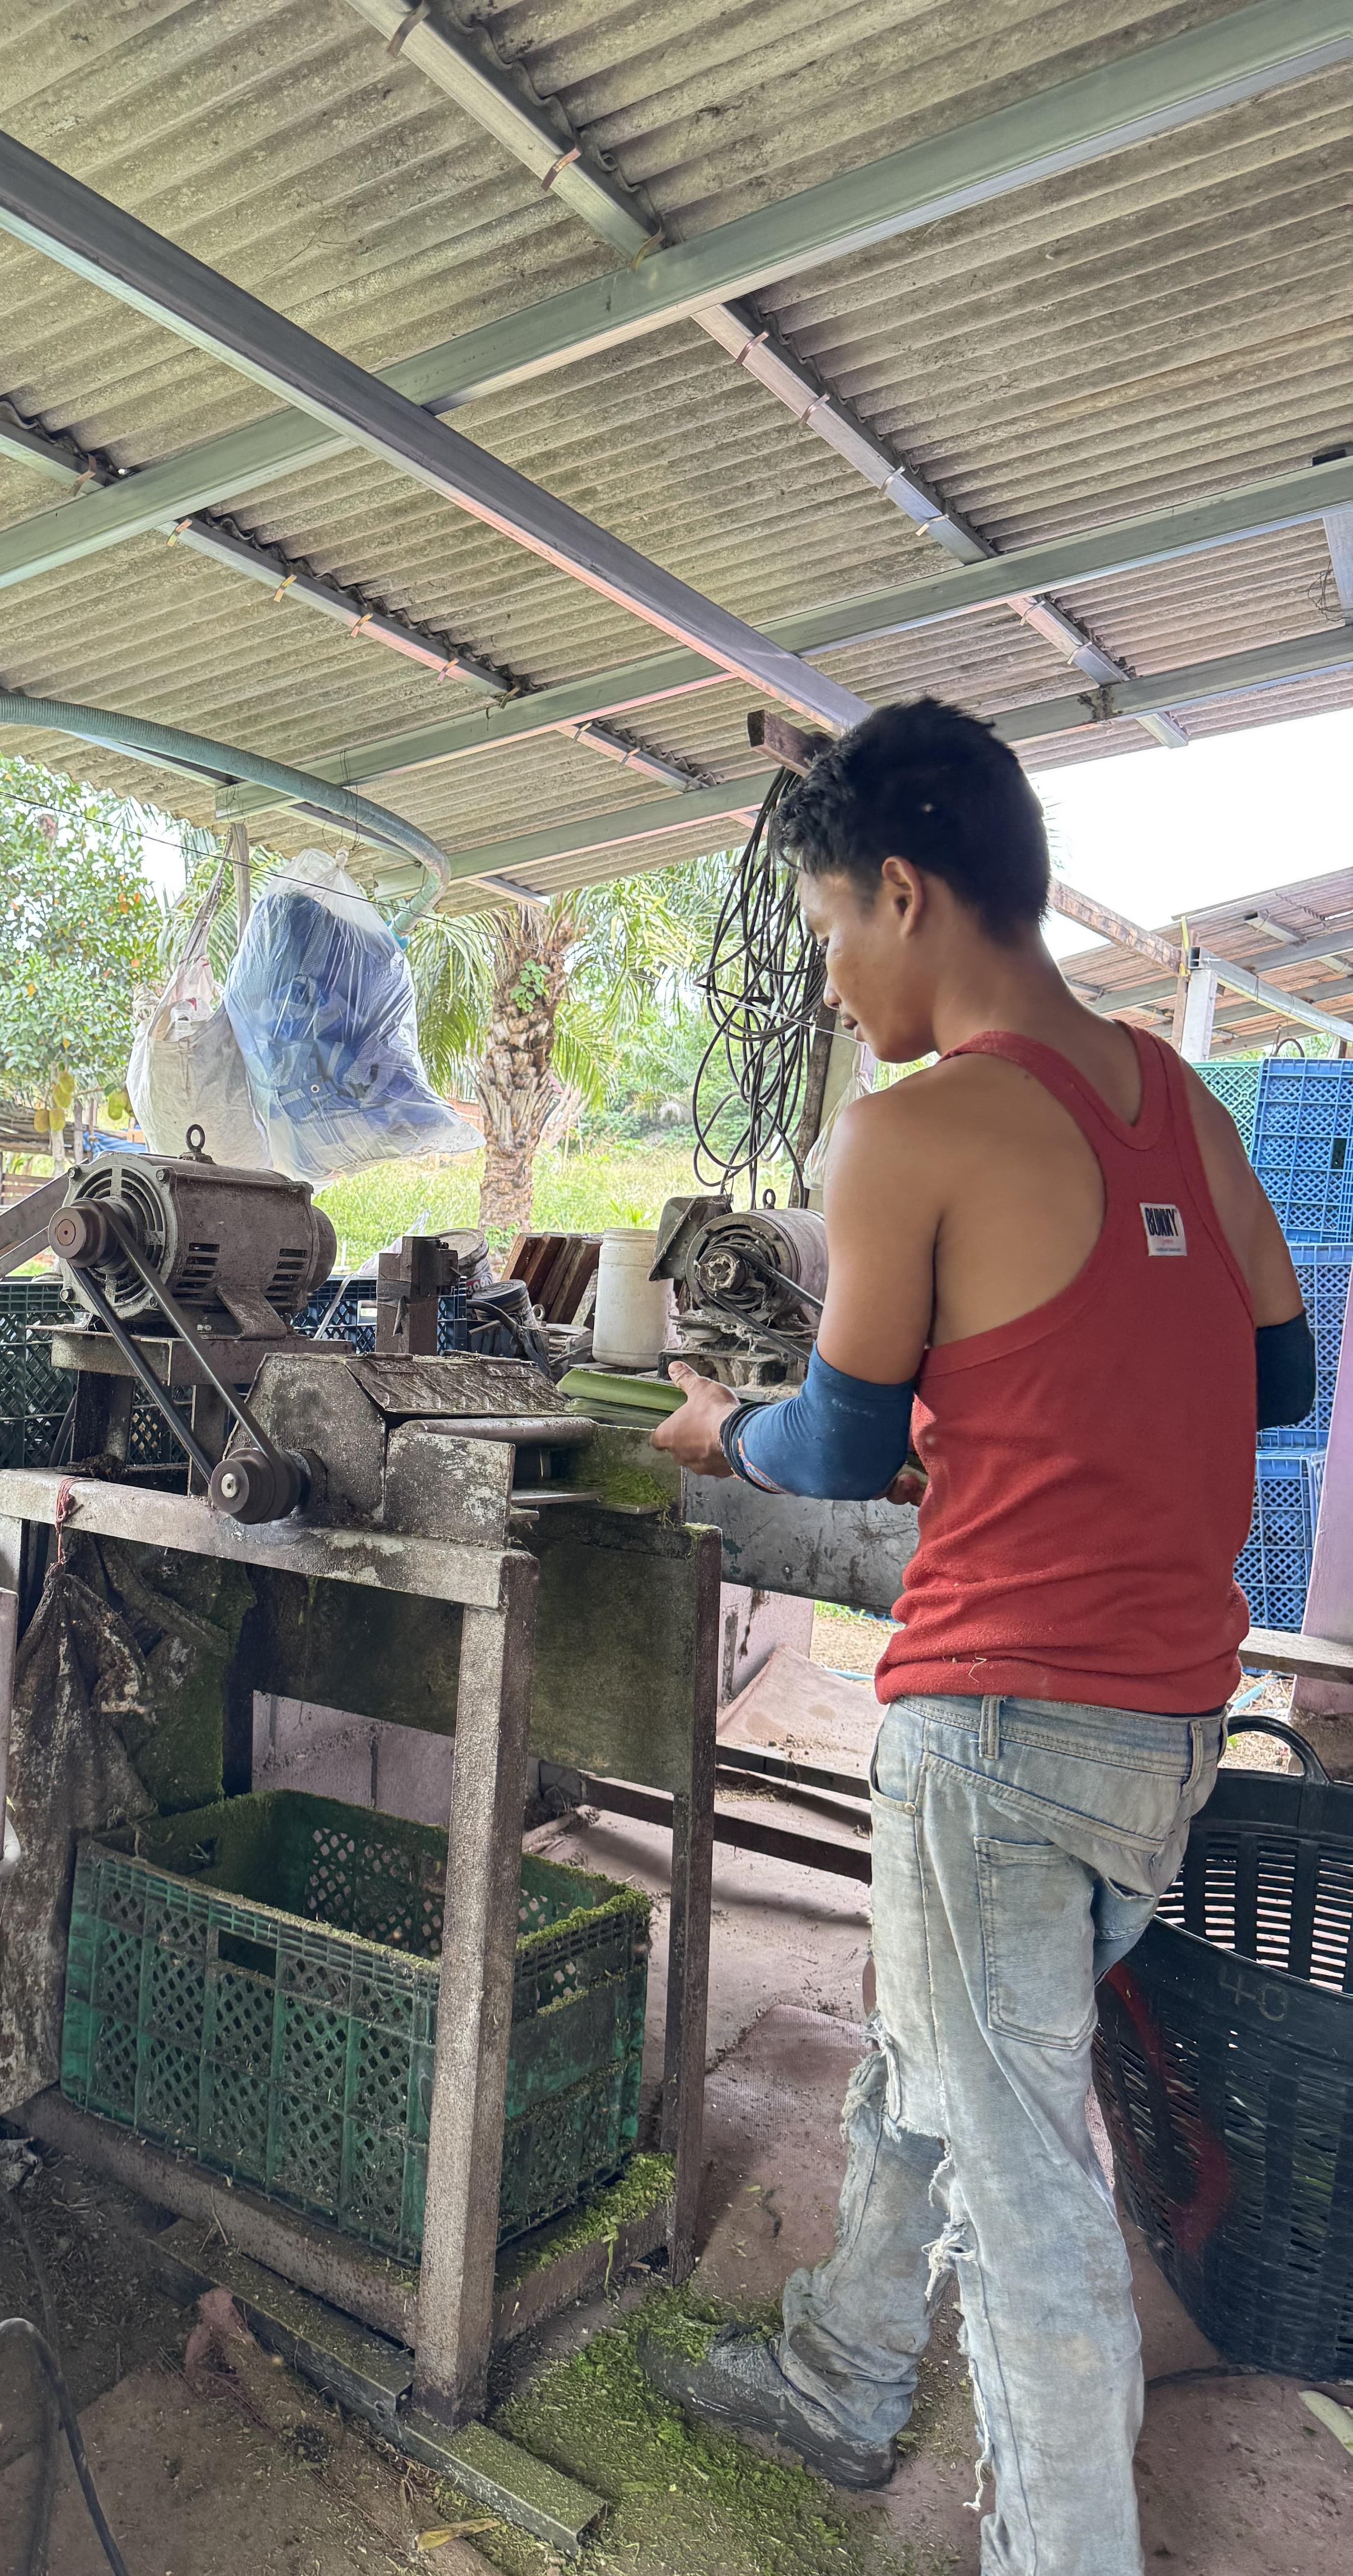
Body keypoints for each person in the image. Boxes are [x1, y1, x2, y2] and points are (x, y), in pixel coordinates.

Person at [646, 698, 1313, 2575]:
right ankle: (849, 2375)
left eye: (833, 928)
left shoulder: (913, 1127)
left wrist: (717, 1433)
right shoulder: (1172, 1099)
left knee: (1030, 2205)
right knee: (948, 2057)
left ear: (909, 892)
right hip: (1170, 1716)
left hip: (1002, 1727)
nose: (838, 973)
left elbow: (840, 1445)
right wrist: (1044, 1416)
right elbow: (1276, 1368)